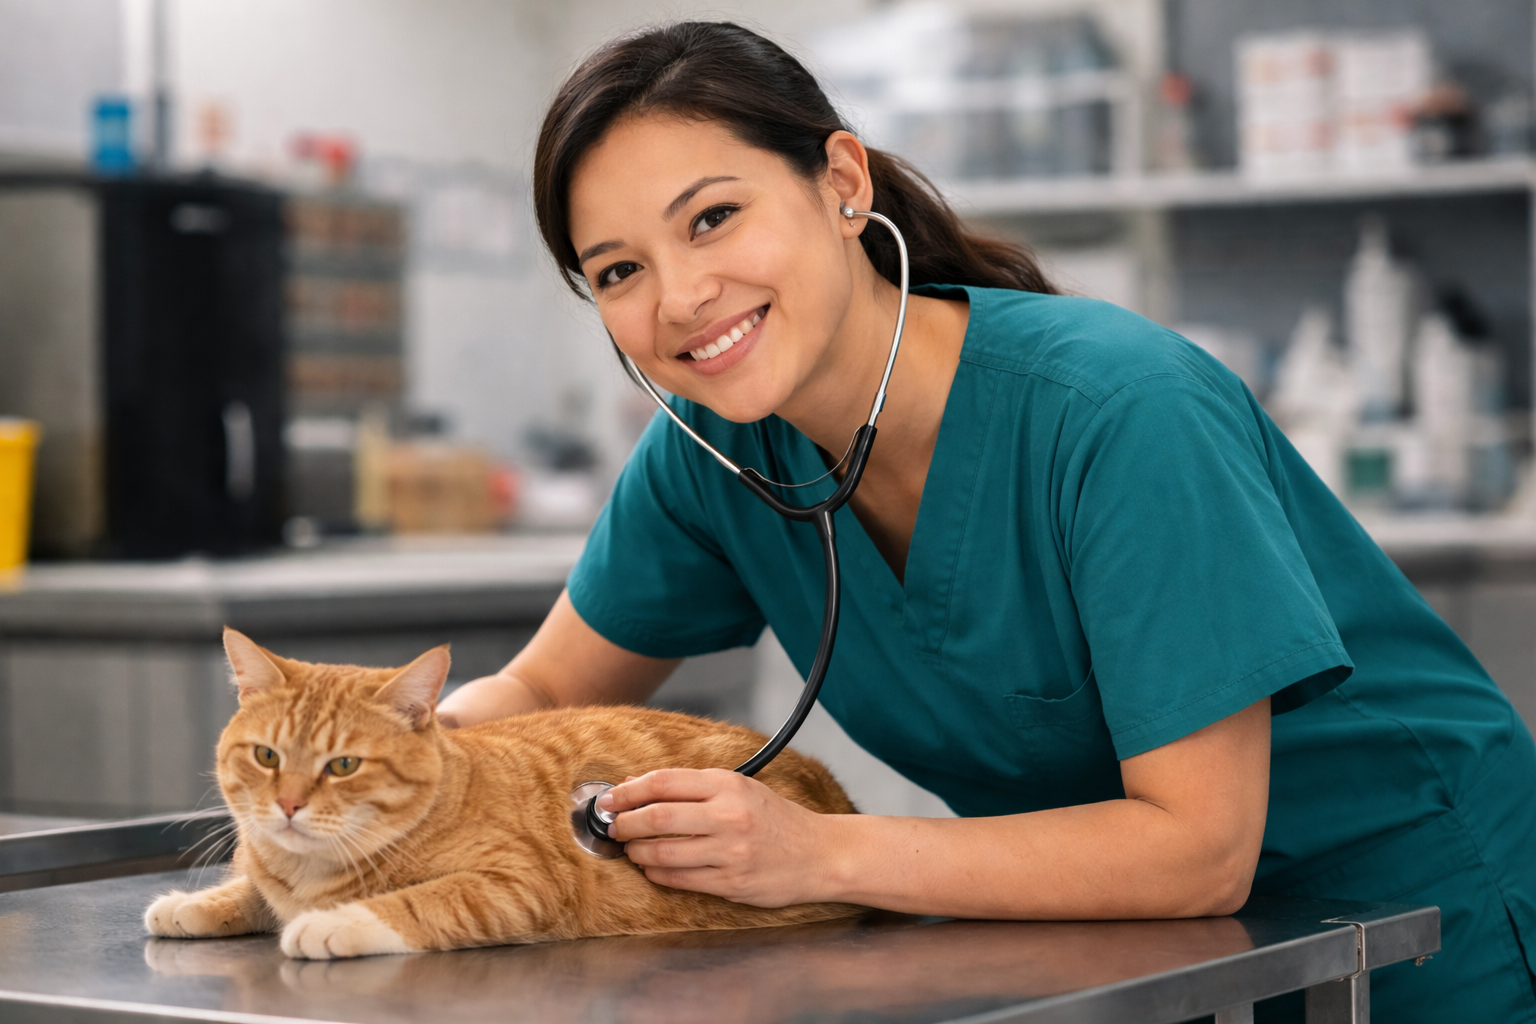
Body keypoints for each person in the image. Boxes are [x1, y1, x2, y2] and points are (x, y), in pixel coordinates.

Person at [436, 21, 1536, 1021]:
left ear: (841, 183)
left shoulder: (1117, 412)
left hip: (1416, 915)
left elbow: (1200, 851)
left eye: (714, 217)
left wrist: (814, 852)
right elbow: (537, 693)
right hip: (1155, 954)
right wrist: (372, 761)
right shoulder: (707, 457)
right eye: (619, 270)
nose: (678, 298)